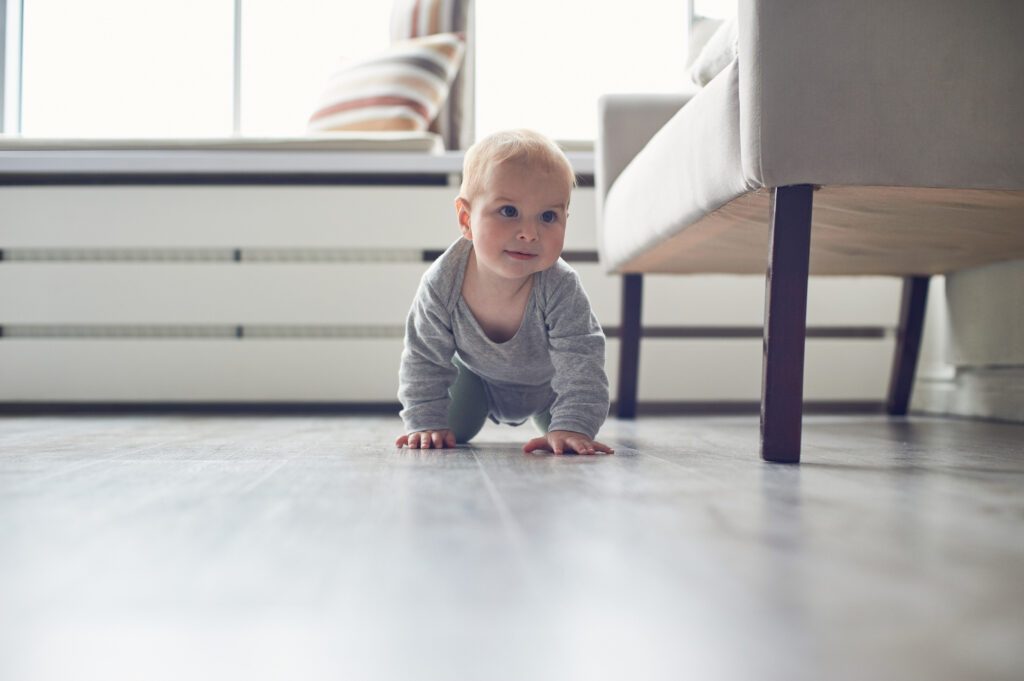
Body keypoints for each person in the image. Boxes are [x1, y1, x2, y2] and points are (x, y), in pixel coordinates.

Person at [395, 129, 613, 455]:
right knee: (447, 431)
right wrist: (424, 420)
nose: (529, 233)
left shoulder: (560, 287)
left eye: (548, 216)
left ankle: (563, 423)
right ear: (466, 219)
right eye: (509, 211)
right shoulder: (442, 283)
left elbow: (582, 359)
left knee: (567, 434)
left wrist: (573, 424)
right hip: (475, 383)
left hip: (551, 388)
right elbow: (423, 356)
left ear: (566, 218)